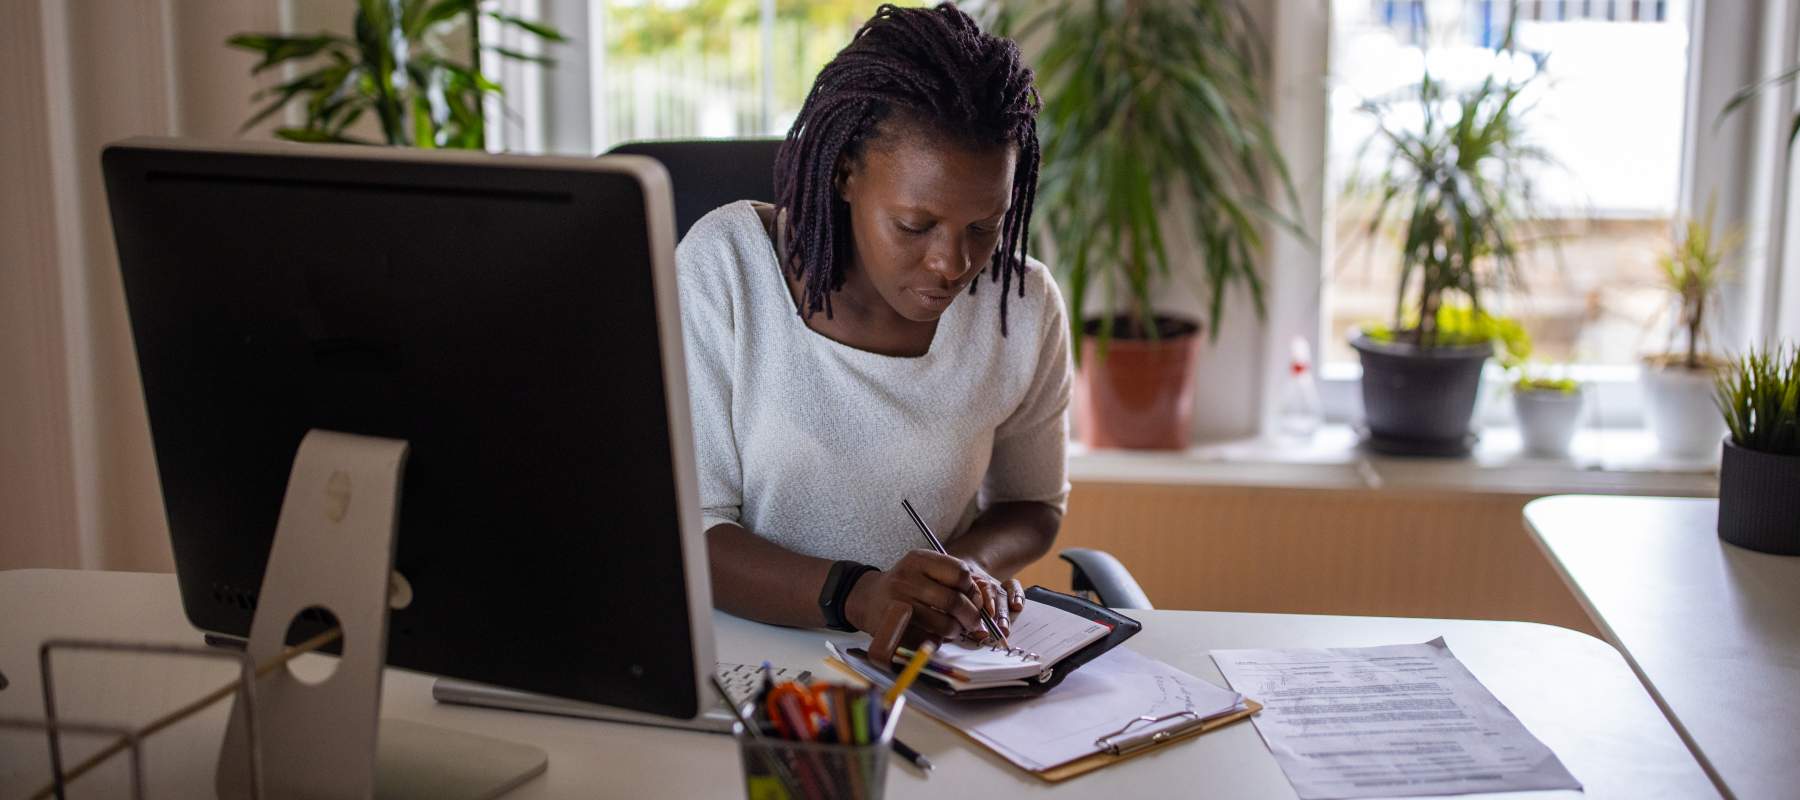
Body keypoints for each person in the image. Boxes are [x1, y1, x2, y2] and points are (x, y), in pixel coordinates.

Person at [676, 3, 1069, 664]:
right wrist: (860, 595)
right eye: (916, 225)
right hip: (743, 661)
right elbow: (690, 526)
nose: (952, 262)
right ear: (845, 174)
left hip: (927, 667)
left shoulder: (1021, 307)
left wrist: (954, 581)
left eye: (984, 226)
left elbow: (1032, 505)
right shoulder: (728, 267)